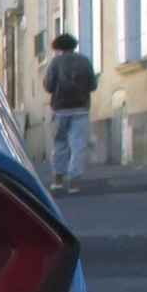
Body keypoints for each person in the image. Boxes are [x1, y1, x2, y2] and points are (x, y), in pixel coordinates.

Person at [40, 32, 97, 195]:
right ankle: (74, 181)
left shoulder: (56, 63)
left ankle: (58, 177)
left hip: (61, 108)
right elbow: (93, 85)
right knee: (78, 145)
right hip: (81, 107)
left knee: (60, 143)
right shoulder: (85, 62)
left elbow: (48, 85)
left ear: (59, 48)